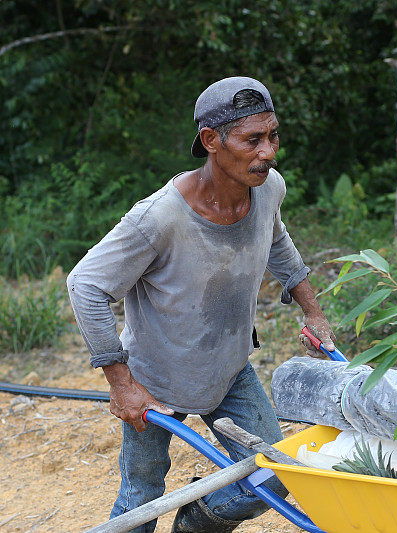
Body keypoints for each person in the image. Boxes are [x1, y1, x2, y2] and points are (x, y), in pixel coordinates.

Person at [67, 76, 335, 532]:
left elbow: (277, 240)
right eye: (252, 140)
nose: (267, 152)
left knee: (272, 474)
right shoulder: (159, 218)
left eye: (273, 136)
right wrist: (121, 382)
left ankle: (197, 522)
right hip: (155, 381)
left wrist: (312, 309)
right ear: (211, 141)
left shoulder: (268, 189)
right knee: (141, 495)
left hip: (229, 370)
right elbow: (86, 285)